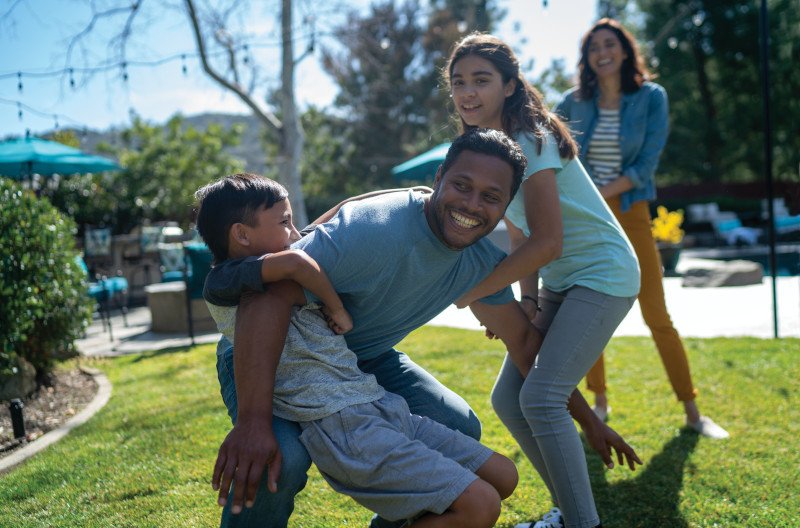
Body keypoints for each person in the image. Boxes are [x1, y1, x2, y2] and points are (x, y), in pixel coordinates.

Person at [212, 129, 640, 528]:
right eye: (461, 185)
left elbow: (525, 343)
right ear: (440, 178)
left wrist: (589, 422)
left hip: (360, 362)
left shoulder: (480, 266)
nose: (472, 204)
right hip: (272, 352)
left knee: (457, 424)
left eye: (491, 196)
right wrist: (252, 421)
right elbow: (262, 296)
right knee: (278, 460)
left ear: (508, 204)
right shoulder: (371, 230)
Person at [195, 171, 519, 528]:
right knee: (279, 458)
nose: (297, 234)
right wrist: (336, 308)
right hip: (324, 406)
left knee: (489, 460)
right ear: (241, 235)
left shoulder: (283, 250)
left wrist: (416, 196)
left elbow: (339, 213)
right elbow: (294, 266)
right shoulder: (226, 279)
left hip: (365, 395)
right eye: (285, 222)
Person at [446, 33, 642, 528]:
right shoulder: (491, 148)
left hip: (602, 273)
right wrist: (526, 301)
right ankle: (572, 511)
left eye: (481, 80)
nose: (468, 93)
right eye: (458, 82)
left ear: (510, 86)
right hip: (559, 281)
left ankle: (582, 524)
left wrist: (473, 291)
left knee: (540, 397)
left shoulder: (530, 138)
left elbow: (548, 241)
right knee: (510, 399)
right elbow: (521, 235)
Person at [555, 18, 729, 439]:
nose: (602, 52)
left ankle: (692, 411)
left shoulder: (651, 97)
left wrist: (600, 193)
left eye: (610, 43)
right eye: (593, 45)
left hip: (630, 209)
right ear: (587, 56)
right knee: (585, 309)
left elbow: (645, 164)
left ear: (625, 50)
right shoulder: (572, 102)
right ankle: (598, 402)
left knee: (656, 312)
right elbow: (555, 154)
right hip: (585, 215)